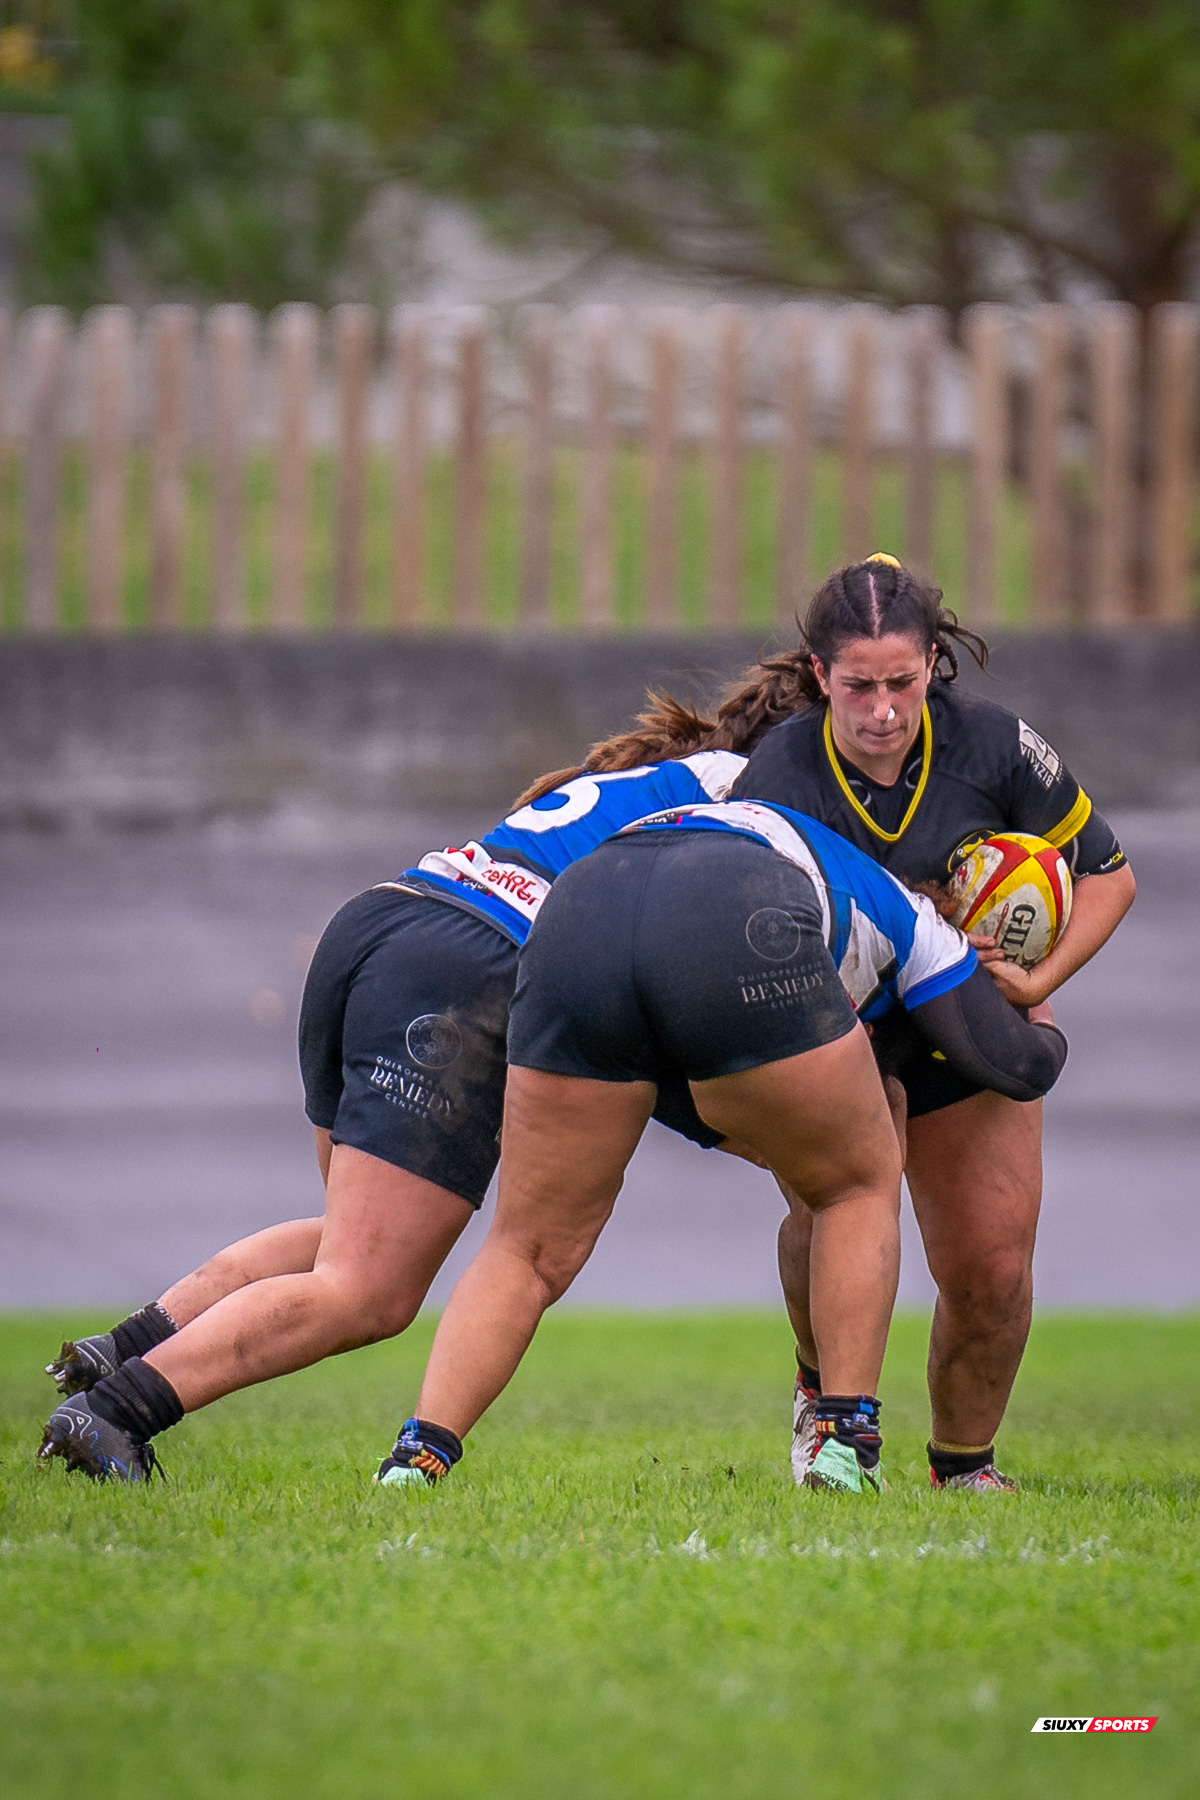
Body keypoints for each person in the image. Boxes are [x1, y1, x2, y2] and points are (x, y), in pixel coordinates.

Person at [37, 726, 763, 1482]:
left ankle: (127, 1348)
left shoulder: (663, 775)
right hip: (468, 964)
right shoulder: (763, 787)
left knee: (349, 1244)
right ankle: (115, 1412)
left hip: (387, 917)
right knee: (368, 1288)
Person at [384, 796, 1069, 1496]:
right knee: (857, 1183)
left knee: (528, 1246)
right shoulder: (922, 925)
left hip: (580, 909)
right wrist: (1034, 996)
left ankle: (418, 1455)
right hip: (730, 908)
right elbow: (1014, 1064)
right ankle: (843, 1443)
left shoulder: (793, 841)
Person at [724, 554, 1135, 1492]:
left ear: (932, 667)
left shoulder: (992, 747)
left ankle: (964, 1466)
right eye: (858, 686)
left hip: (971, 1011)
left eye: (901, 683)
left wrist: (1038, 985)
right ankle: (821, 1384)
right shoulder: (779, 773)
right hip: (838, 1024)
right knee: (824, 1215)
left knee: (992, 1266)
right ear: (821, 676)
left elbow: (1111, 877)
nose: (881, 710)